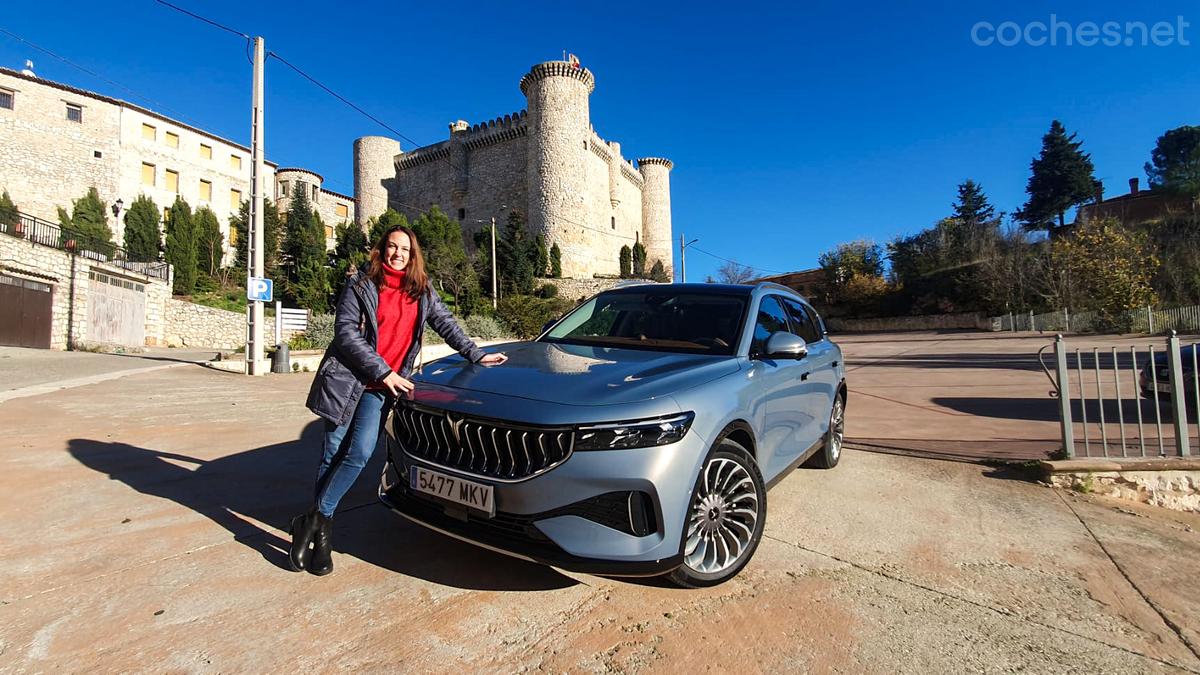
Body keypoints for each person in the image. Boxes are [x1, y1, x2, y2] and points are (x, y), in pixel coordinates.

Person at [289, 224, 507, 575]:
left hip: (382, 388)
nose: (397, 254)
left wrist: (475, 353)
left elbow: (445, 322)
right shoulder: (360, 283)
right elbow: (344, 333)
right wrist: (384, 371)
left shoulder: (421, 289)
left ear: (412, 255)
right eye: (392, 247)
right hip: (348, 380)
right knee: (332, 454)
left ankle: (312, 520)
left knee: (359, 453)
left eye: (404, 250)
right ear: (381, 249)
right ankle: (322, 535)